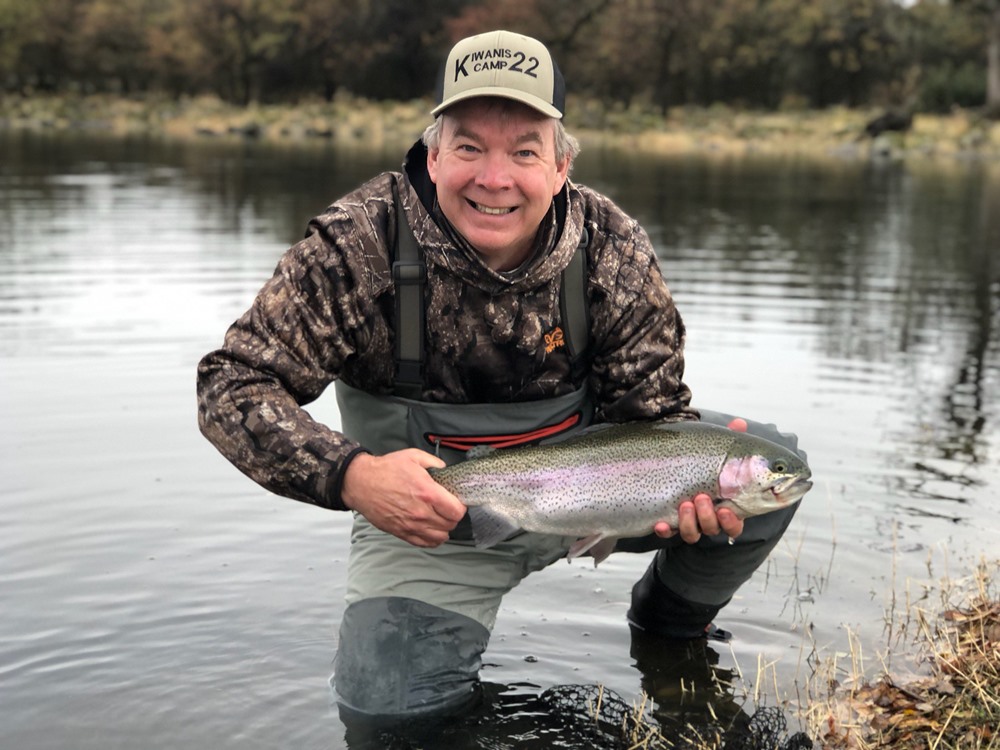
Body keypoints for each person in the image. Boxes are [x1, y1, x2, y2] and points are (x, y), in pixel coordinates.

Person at [196, 29, 805, 724]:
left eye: (523, 151)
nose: (495, 177)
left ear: (560, 166)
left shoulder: (612, 246)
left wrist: (691, 480)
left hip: (605, 497)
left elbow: (648, 414)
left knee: (769, 479)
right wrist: (354, 477)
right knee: (388, 716)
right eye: (468, 147)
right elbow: (231, 385)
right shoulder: (354, 247)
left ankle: (669, 631)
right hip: (432, 529)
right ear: (432, 154)